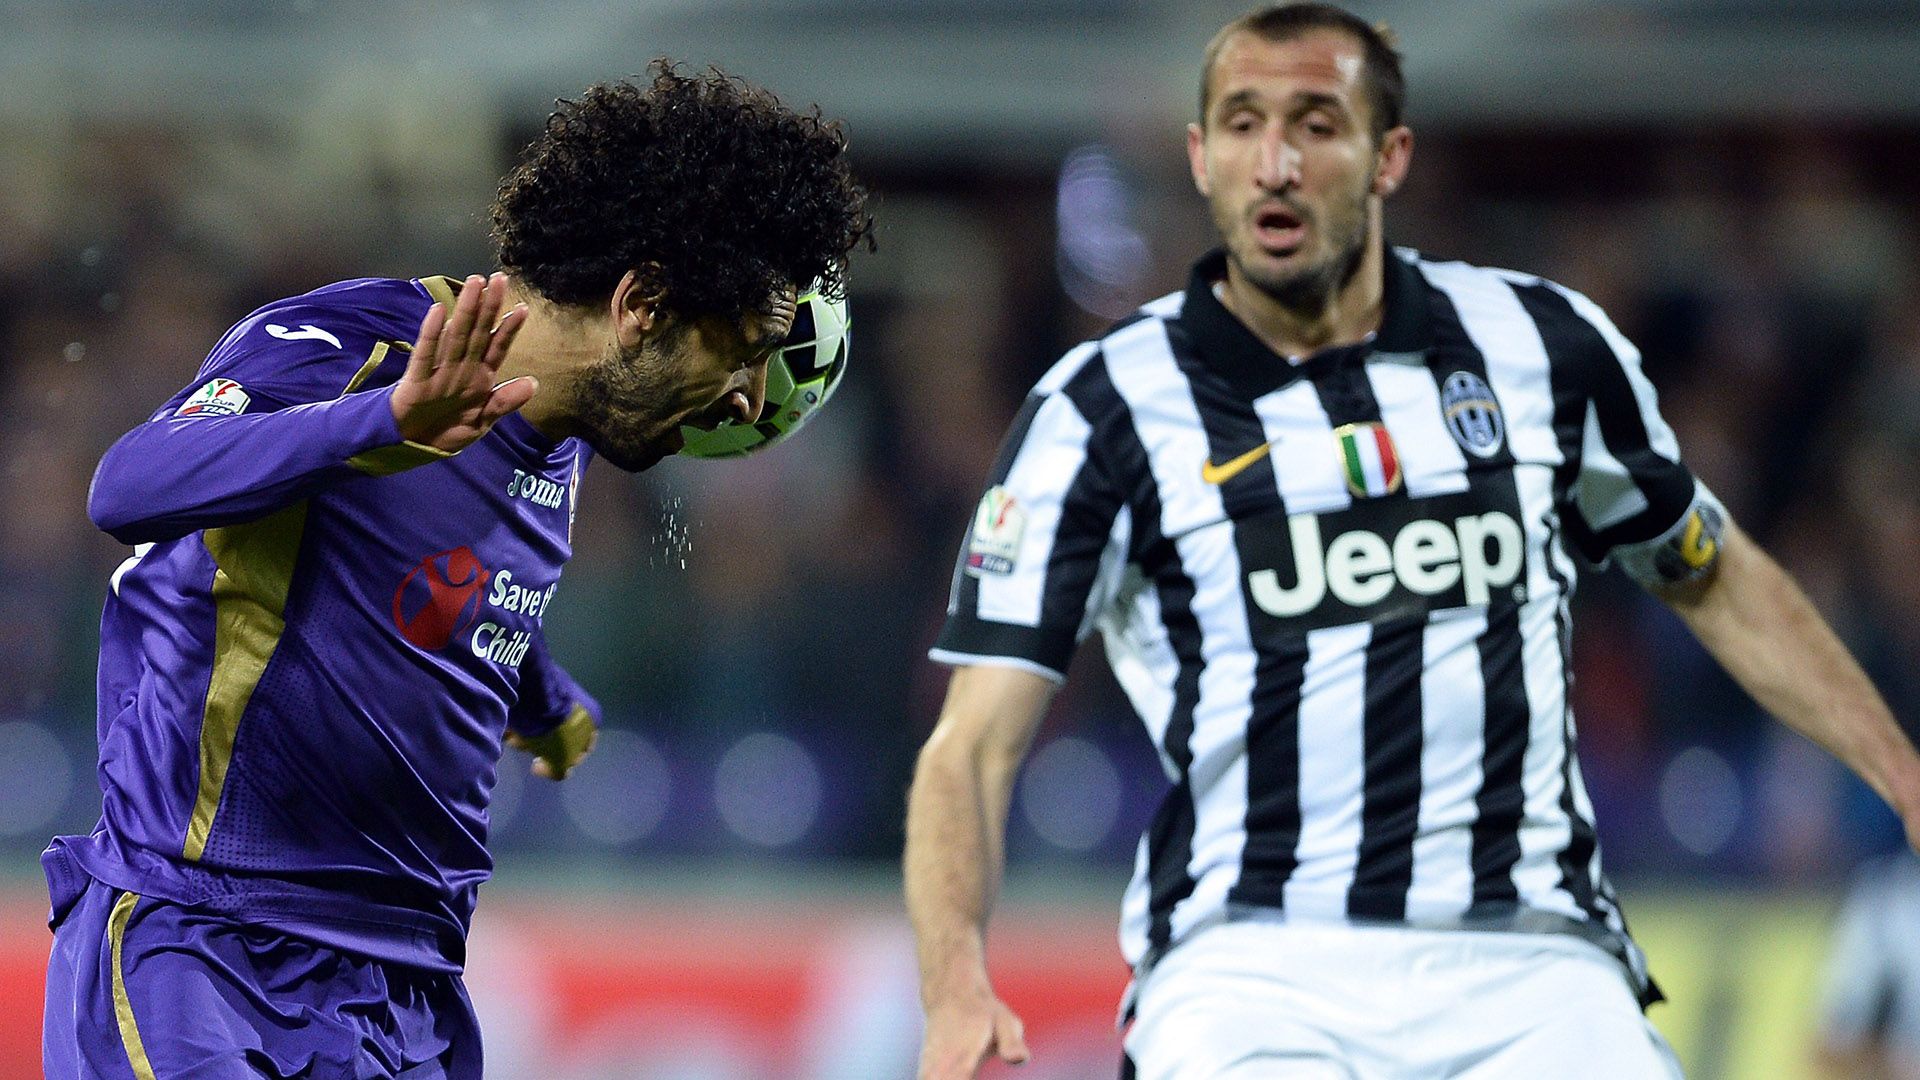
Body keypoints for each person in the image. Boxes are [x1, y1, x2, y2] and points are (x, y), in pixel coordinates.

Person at [902, 5, 1920, 1078]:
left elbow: (1711, 575)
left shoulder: (1542, 348)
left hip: (1531, 962)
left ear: (1390, 157)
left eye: (1316, 124)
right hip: (1253, 971)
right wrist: (954, 981)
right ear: (1201, 159)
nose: (1278, 162)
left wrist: (1901, 772)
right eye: (1243, 125)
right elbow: (970, 745)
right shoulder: (1101, 411)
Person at [44, 62, 872, 1079]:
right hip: (208, 957)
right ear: (642, 303)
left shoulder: (564, 446)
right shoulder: (356, 347)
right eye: (740, 353)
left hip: (408, 1001)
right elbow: (125, 487)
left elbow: (429, 590)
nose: (747, 404)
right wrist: (380, 424)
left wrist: (541, 694)